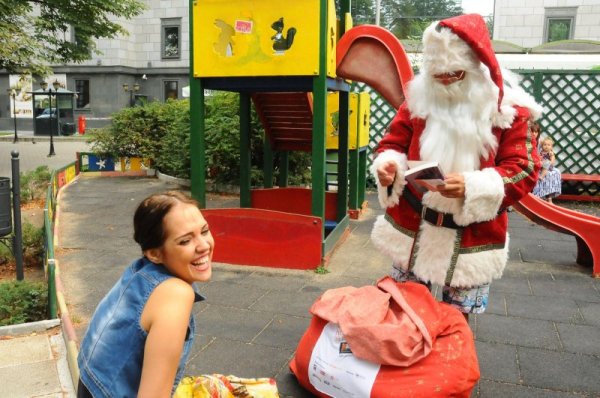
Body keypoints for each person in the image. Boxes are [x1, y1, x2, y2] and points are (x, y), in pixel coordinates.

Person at [370, 14, 542, 320]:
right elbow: (391, 146)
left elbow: (524, 169)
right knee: (403, 315)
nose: (446, 84)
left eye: (456, 75)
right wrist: (388, 166)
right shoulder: (417, 102)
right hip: (413, 227)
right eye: (439, 77)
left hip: (472, 237)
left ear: (476, 67)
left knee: (455, 326)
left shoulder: (511, 111)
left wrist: (473, 187)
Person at [77, 191, 214, 397]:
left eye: (204, 231)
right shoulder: (175, 295)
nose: (204, 245)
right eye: (185, 241)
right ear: (154, 254)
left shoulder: (138, 272)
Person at [532, 134, 562, 203]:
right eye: (545, 145)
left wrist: (549, 161)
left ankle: (542, 176)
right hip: (541, 165)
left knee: (546, 164)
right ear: (542, 146)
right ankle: (539, 195)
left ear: (551, 147)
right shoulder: (541, 152)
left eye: (548, 145)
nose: (546, 146)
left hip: (548, 167)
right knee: (543, 164)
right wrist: (540, 160)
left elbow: (552, 162)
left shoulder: (550, 153)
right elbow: (539, 159)